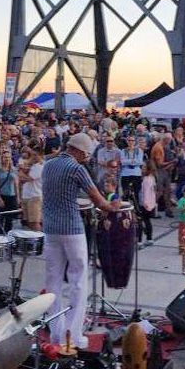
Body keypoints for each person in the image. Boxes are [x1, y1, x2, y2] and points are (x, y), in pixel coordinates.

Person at [41, 132, 116, 348]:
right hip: (72, 229)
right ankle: (73, 336)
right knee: (78, 280)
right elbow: (98, 200)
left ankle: (56, 333)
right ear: (78, 151)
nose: (87, 158)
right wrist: (112, 207)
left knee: (52, 280)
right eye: (86, 154)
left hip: (51, 229)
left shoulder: (49, 164)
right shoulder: (76, 168)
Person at [0, 152, 20, 233]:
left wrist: (18, 197)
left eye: (8, 157)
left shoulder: (13, 169)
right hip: (1, 196)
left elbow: (16, 185)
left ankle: (8, 235)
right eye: (5, 157)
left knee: (9, 219)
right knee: (0, 218)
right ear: (1, 159)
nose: (7, 159)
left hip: (12, 196)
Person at [18, 150, 43, 232]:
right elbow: (21, 179)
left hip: (34, 197)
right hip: (26, 196)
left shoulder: (39, 167)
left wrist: (21, 173)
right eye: (32, 155)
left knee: (35, 222)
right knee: (28, 222)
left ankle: (40, 242)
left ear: (40, 156)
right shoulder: (31, 166)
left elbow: (28, 178)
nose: (33, 157)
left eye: (36, 155)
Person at [137, 161, 156, 247]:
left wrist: (144, 202)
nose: (142, 168)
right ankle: (149, 238)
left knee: (140, 221)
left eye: (144, 167)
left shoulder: (146, 180)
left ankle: (139, 241)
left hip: (145, 203)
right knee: (147, 221)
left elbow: (146, 192)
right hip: (150, 203)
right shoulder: (152, 178)